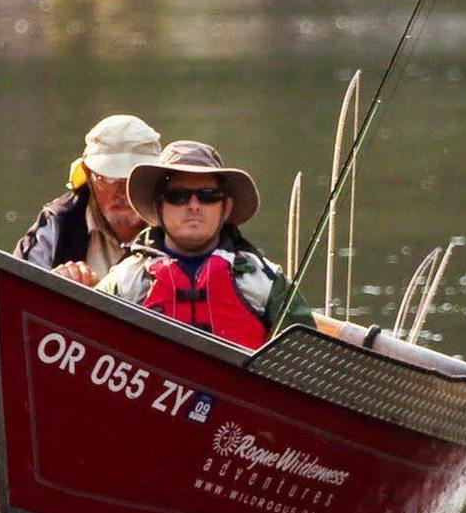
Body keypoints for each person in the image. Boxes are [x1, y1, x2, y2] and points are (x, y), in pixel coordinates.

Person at [95, 140, 313, 349]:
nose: (194, 206)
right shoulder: (124, 284)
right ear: (158, 206)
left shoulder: (265, 283)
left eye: (208, 195)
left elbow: (307, 367)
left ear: (226, 207)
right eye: (178, 196)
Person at [15, 113, 162, 287]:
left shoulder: (178, 225)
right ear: (88, 175)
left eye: (133, 179)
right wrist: (53, 285)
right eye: (108, 178)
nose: (122, 192)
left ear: (155, 180)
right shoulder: (58, 225)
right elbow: (17, 290)